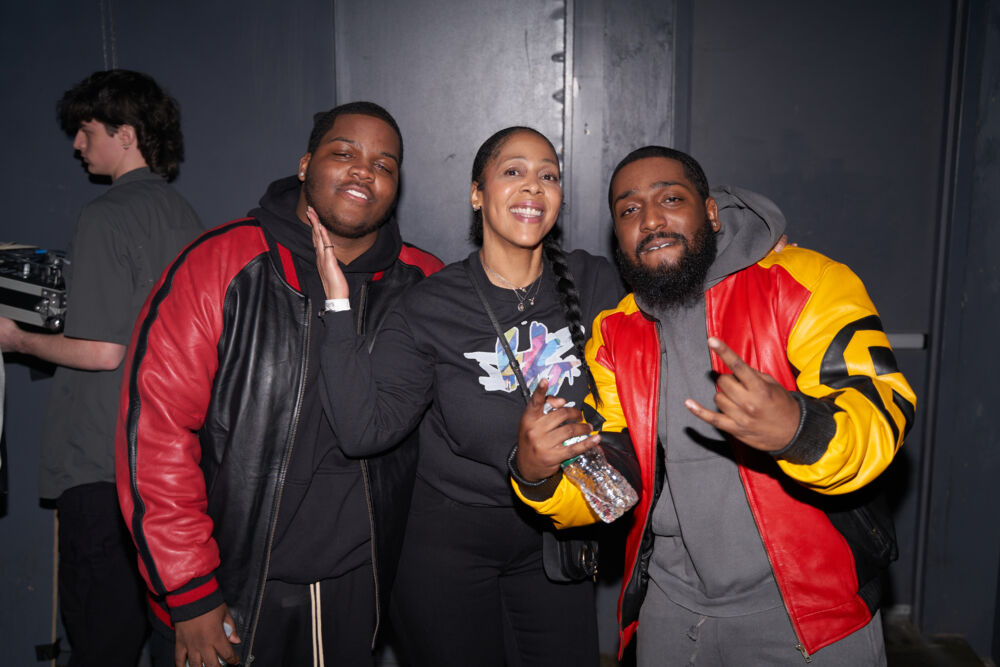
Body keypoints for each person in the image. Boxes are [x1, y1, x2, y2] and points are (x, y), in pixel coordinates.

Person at [314, 127, 780, 665]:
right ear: (477, 194)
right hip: (445, 546)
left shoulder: (599, 281)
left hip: (557, 539)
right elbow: (363, 431)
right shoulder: (430, 305)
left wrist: (759, 251)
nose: (533, 186)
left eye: (548, 175)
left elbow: (683, 268)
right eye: (513, 171)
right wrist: (339, 306)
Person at [514, 146, 917, 666]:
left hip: (808, 615)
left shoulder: (803, 282)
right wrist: (538, 476)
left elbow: (881, 407)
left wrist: (798, 430)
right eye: (630, 209)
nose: (650, 220)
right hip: (671, 613)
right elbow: (613, 477)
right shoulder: (615, 334)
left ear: (710, 212)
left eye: (670, 199)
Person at [115, 102, 442, 667]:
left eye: (384, 165)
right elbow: (156, 436)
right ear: (305, 163)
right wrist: (189, 590)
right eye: (344, 153)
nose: (364, 171)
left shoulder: (424, 283)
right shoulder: (220, 265)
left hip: (356, 587)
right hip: (230, 590)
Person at [0, 69, 203, 666]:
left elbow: (102, 351)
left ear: (126, 134)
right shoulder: (186, 217)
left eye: (87, 131)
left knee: (100, 642)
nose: (77, 145)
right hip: (166, 467)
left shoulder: (105, 215)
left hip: (98, 463)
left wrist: (17, 338)